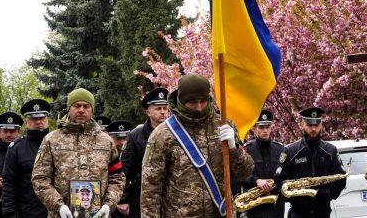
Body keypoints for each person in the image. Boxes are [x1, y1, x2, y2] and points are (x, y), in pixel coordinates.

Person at [140, 74, 254, 218]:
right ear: (181, 101)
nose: (199, 107)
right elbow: (151, 187)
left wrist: (234, 148)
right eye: (193, 102)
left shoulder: (224, 125)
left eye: (203, 101)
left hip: (222, 213)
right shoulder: (163, 134)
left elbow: (245, 172)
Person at [32, 88, 125, 218]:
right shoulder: (51, 140)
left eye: (86, 106)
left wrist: (109, 204)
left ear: (92, 110)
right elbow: (40, 178)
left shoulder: (106, 141)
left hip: (98, 215)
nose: (81, 110)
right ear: (69, 108)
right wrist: (58, 205)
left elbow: (117, 177)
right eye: (77, 106)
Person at [273, 107, 346, 218]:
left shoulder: (331, 150)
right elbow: (279, 182)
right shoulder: (290, 151)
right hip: (298, 214)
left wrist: (324, 194)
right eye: (310, 125)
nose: (313, 129)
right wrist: (298, 195)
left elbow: (341, 178)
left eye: (316, 125)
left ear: (321, 125)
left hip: (323, 213)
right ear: (302, 125)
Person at [118, 87, 169, 218]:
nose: (163, 112)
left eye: (165, 108)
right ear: (148, 112)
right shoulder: (136, 135)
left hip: (170, 197)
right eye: (158, 109)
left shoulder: (176, 134)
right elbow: (125, 168)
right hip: (141, 198)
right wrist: (123, 199)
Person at [2, 99, 52, 218]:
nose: (39, 121)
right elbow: (9, 183)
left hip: (58, 211)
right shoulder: (17, 148)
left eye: (42, 118)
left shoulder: (59, 143)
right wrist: (10, 214)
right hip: (28, 212)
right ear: (26, 121)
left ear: (47, 119)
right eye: (34, 118)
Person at [238, 110, 285, 218]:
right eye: (261, 127)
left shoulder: (281, 149)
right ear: (254, 129)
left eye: (268, 127)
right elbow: (239, 176)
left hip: (276, 208)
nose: (265, 131)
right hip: (255, 209)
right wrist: (256, 180)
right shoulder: (246, 150)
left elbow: (287, 173)